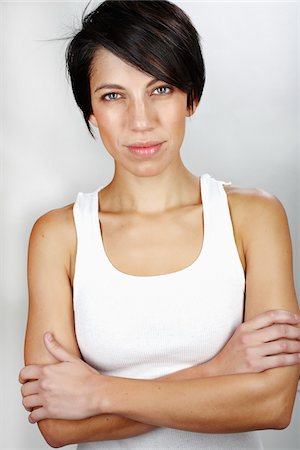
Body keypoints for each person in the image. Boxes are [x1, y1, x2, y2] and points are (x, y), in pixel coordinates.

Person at [19, 1, 300, 449]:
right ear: (90, 112)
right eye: (113, 96)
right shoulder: (59, 236)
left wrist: (97, 393)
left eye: (161, 89)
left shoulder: (253, 218)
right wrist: (217, 371)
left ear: (192, 97)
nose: (141, 121)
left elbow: (274, 404)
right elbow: (57, 426)